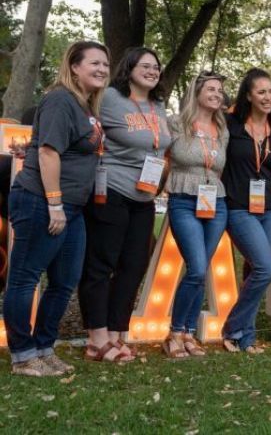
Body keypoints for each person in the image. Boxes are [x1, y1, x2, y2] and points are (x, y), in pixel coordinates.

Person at [3, 41, 109, 376]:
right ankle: (23, 355)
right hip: (41, 201)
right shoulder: (60, 99)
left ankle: (44, 347)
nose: (103, 69)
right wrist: (55, 204)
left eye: (106, 64)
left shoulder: (85, 107)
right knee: (25, 277)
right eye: (95, 63)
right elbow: (49, 153)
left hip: (72, 207)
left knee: (64, 281)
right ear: (74, 66)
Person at [78, 47, 171, 363]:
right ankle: (96, 338)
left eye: (155, 66)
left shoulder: (158, 105)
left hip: (144, 197)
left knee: (133, 266)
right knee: (101, 264)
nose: (151, 70)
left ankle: (118, 332)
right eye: (144, 65)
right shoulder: (108, 98)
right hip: (112, 191)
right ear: (128, 67)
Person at [162, 71, 229, 358]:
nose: (217, 94)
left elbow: (219, 167)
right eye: (211, 89)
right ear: (197, 92)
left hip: (216, 202)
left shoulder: (222, 129)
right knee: (197, 267)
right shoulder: (176, 123)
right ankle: (174, 333)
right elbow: (162, 157)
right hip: (182, 198)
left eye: (220, 90)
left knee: (201, 271)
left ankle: (189, 333)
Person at [220, 68, 271, 353]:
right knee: (266, 269)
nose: (268, 97)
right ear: (248, 95)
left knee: (254, 270)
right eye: (261, 92)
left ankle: (246, 337)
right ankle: (232, 328)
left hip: (270, 207)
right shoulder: (230, 123)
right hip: (238, 206)